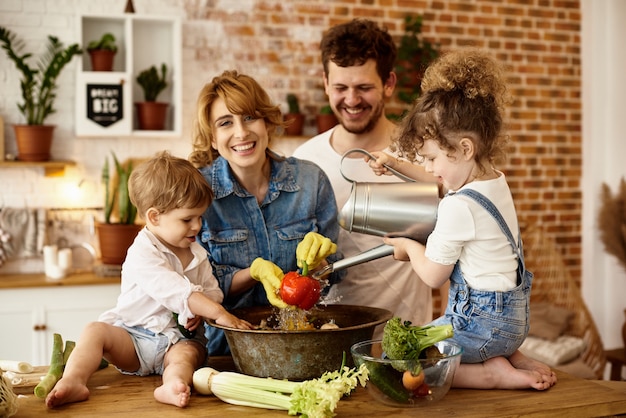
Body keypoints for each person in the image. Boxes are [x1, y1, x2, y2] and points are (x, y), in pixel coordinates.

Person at [367, 49, 557, 390]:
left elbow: (433, 275)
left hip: (481, 326)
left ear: (465, 149)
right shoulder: (492, 181)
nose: (427, 167)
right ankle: (512, 355)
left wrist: (409, 248)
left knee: (402, 361)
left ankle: (491, 374)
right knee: (426, 343)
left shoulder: (458, 208)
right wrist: (395, 164)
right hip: (512, 322)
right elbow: (442, 181)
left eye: (432, 157)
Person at [45, 151, 252, 409]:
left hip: (178, 341)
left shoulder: (198, 253)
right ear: (154, 217)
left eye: (200, 217)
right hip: (133, 338)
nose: (197, 226)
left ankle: (172, 384)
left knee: (189, 355)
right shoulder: (142, 253)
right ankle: (74, 380)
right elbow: (175, 291)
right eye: (187, 219)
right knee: (95, 330)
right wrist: (218, 313)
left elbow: (212, 292)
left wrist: (204, 310)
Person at [292, 18, 439, 337]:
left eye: (364, 88)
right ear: (325, 83)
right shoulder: (303, 162)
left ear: (388, 83)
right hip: (330, 336)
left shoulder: (425, 156)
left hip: (406, 337)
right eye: (341, 87)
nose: (352, 100)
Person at [189, 70, 342, 356]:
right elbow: (194, 289)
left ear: (267, 122)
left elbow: (332, 275)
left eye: (249, 117)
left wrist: (322, 264)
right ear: (212, 138)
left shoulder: (311, 181)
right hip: (227, 352)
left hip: (300, 344)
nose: (241, 132)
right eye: (226, 123)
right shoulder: (198, 194)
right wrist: (254, 273)